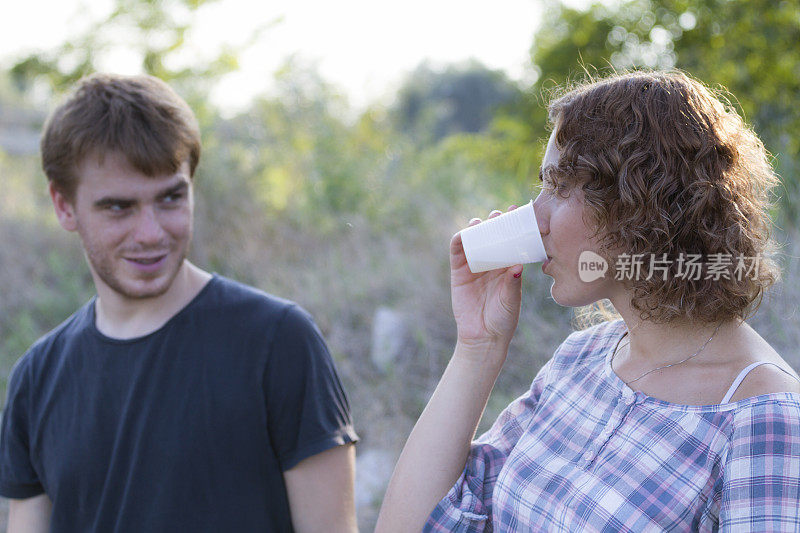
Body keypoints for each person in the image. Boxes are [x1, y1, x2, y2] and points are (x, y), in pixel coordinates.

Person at [376, 70, 800, 531]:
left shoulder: (765, 420)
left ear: (640, 201)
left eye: (559, 187)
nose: (533, 218)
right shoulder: (583, 359)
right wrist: (478, 346)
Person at [0, 73, 359, 532]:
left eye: (171, 197)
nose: (151, 233)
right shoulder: (36, 378)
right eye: (119, 207)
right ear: (64, 205)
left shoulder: (277, 341)